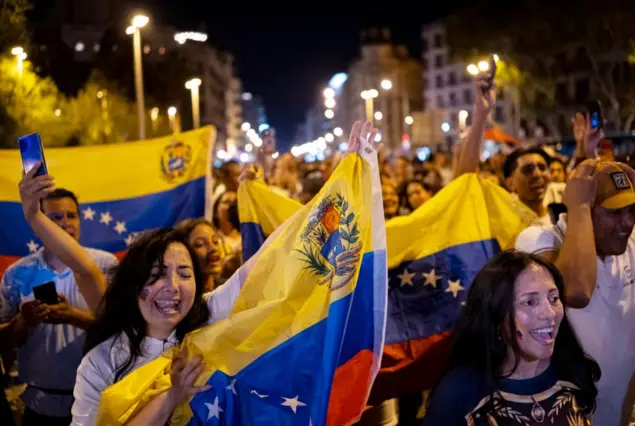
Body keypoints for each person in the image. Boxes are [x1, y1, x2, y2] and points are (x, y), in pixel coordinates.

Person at [68, 120, 381, 426]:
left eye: (184, 273)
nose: (172, 287)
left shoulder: (208, 319)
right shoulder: (100, 363)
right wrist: (170, 397)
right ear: (134, 284)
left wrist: (341, 182)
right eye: (158, 274)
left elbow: (272, 257)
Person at [516, 159, 635, 425]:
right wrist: (579, 206)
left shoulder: (633, 244)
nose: (627, 222)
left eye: (633, 210)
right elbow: (576, 291)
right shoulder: (538, 240)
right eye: (615, 212)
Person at [423, 250, 600, 425]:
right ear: (496, 317)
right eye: (530, 302)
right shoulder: (458, 393)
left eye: (554, 298)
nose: (550, 313)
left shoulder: (575, 371)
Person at [0, 180, 116, 426]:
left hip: (98, 398)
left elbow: (122, 331)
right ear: (38, 224)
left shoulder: (105, 266)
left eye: (71, 215)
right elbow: (3, 342)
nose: (65, 223)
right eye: (54, 217)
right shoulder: (16, 273)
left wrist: (73, 316)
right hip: (38, 404)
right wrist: (25, 320)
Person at [175, 219, 226, 292]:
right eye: (200, 244)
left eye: (215, 241)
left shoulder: (229, 290)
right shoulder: (179, 296)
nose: (213, 248)